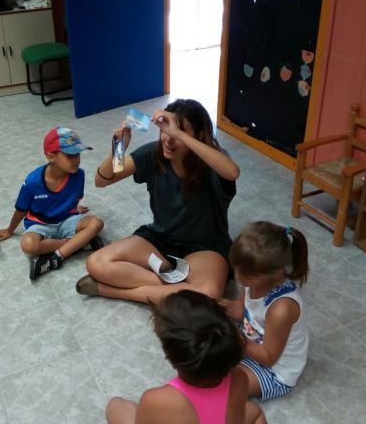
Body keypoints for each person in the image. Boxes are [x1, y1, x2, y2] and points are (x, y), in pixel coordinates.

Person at [77, 99, 239, 303]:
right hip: (160, 239)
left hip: (206, 246)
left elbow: (232, 172)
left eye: (179, 132)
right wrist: (119, 148)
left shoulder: (213, 160)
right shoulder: (153, 153)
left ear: (198, 136)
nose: (168, 139)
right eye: (165, 130)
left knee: (209, 293)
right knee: (96, 262)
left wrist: (177, 132)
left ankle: (107, 290)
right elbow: (102, 180)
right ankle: (180, 286)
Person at [105, 290, 265, 424]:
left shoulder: (156, 400)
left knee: (116, 406)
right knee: (255, 411)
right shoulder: (240, 378)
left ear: (171, 358)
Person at [0, 127, 104, 280]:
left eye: (78, 154)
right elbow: (21, 209)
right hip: (40, 224)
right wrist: (9, 230)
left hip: (66, 219)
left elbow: (74, 198)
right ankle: (77, 245)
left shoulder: (79, 175)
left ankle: (57, 257)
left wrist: (75, 210)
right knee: (28, 245)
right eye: (70, 155)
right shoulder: (32, 182)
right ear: (51, 156)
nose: (77, 160)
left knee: (96, 223)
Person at [220, 221, 309, 402]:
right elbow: (241, 310)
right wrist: (218, 305)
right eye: (235, 270)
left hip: (273, 370)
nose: (237, 277)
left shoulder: (282, 309)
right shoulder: (251, 280)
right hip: (252, 338)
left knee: (222, 388)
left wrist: (234, 338)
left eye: (244, 275)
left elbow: (268, 358)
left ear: (275, 274)